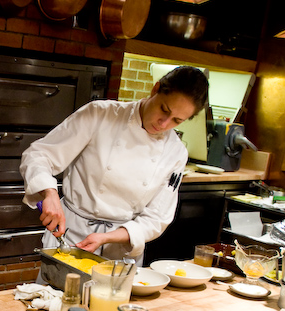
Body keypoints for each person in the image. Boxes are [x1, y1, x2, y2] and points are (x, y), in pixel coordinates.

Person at [20, 65, 209, 265]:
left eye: (177, 121)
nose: (164, 124)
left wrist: (108, 237)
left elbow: (157, 218)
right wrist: (50, 194)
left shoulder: (176, 153)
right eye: (164, 109)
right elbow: (39, 155)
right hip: (71, 237)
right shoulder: (100, 115)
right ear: (155, 89)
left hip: (121, 250)